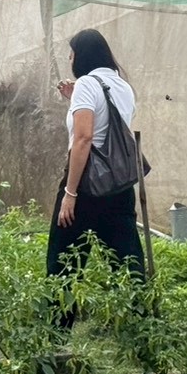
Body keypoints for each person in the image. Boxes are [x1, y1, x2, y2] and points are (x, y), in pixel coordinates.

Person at [46, 28, 146, 285]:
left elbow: (84, 139)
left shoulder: (87, 84)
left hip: (86, 181)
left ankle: (61, 311)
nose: (70, 59)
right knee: (126, 259)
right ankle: (137, 307)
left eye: (72, 54)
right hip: (118, 182)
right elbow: (107, 125)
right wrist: (75, 99)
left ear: (83, 56)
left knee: (64, 262)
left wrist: (70, 193)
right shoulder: (123, 86)